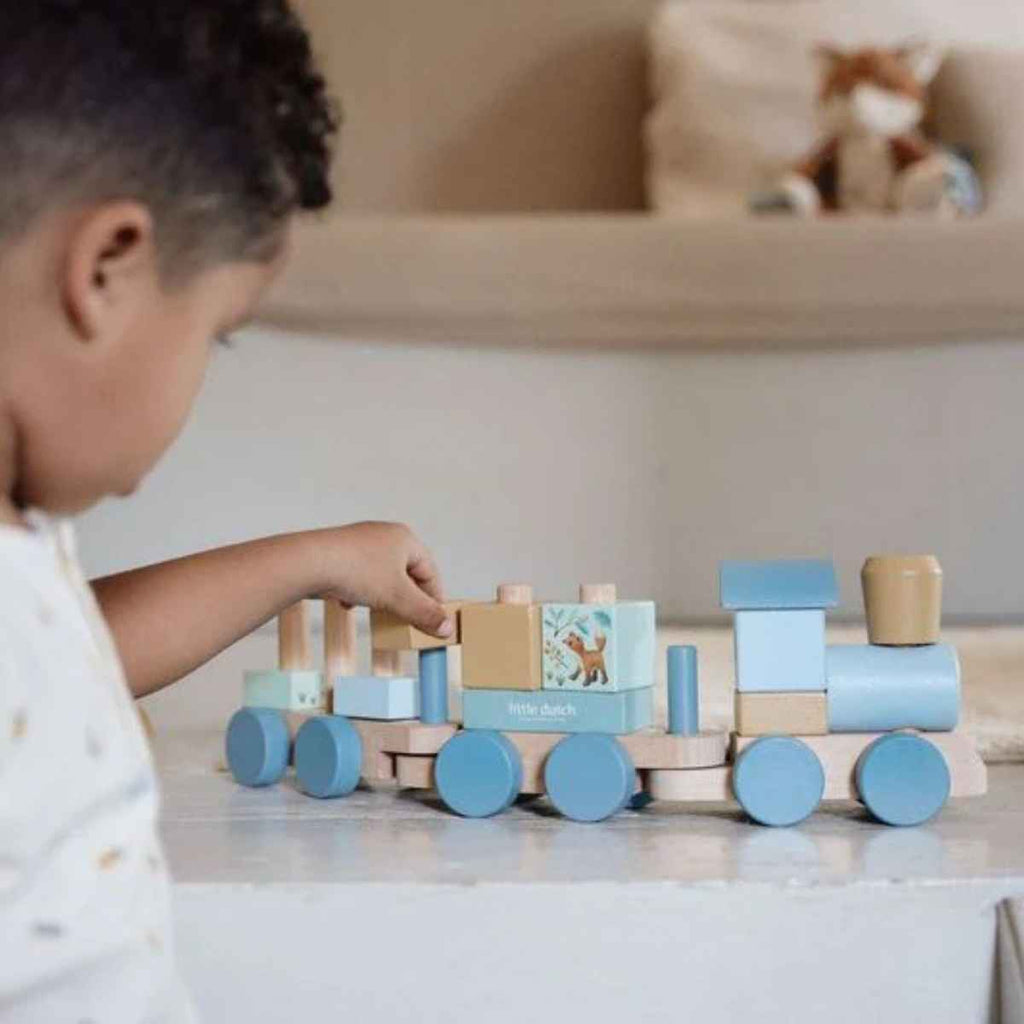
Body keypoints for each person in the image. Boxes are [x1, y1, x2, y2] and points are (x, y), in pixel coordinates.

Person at [0, 3, 452, 1019]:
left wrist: (311, 557)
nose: (204, 369)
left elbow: (69, 659)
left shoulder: (21, 531)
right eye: (218, 332)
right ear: (105, 270)